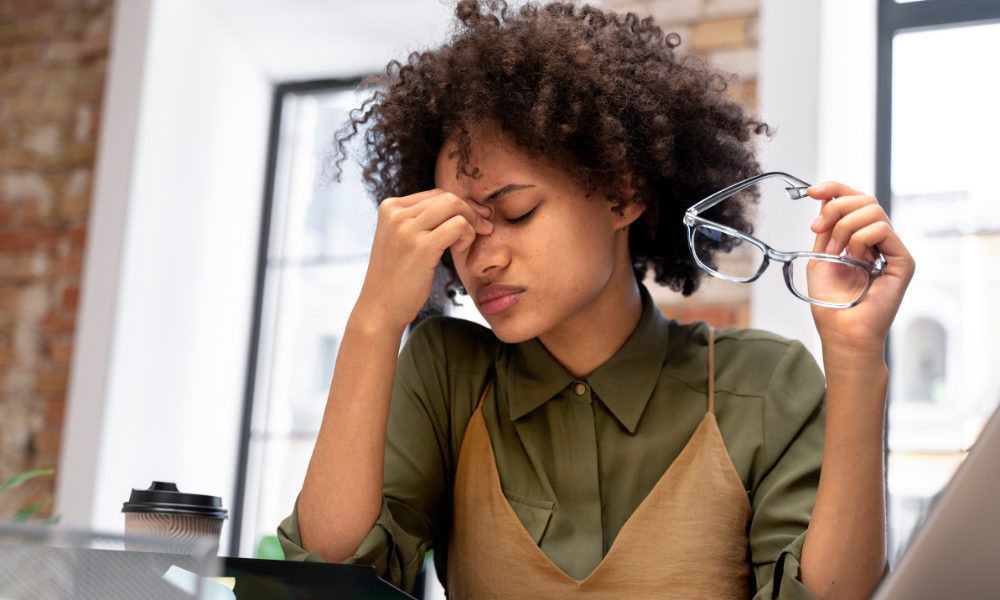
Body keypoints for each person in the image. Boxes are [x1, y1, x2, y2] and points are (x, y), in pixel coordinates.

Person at [278, 2, 915, 599]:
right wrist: (373, 322)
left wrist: (857, 360)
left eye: (517, 212)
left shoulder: (764, 385)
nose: (482, 256)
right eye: (461, 227)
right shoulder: (446, 373)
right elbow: (329, 577)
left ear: (622, 195)